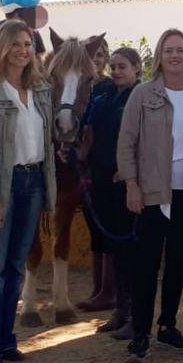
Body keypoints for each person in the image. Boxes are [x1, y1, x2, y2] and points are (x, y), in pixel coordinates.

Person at [0, 20, 57, 363]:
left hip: (33, 183)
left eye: (28, 44)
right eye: (16, 44)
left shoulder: (41, 91)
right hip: (2, 186)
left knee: (17, 265)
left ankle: (6, 340)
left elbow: (46, 145)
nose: (23, 50)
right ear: (1, 48)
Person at [118, 30, 183, 363]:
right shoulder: (142, 94)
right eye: (168, 50)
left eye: (180, 50)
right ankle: (140, 333)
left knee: (177, 264)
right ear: (159, 55)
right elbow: (126, 142)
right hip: (153, 192)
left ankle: (167, 326)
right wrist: (131, 184)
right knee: (147, 264)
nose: (174, 55)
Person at [77, 47, 142, 336]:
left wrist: (132, 176)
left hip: (129, 185)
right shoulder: (101, 99)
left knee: (132, 251)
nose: (116, 71)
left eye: (123, 66)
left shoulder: (142, 98)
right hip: (103, 183)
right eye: (113, 67)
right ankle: (121, 310)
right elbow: (89, 136)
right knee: (115, 249)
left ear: (137, 69)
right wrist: (79, 157)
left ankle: (136, 316)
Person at [77, 39, 120, 313]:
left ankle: (108, 291)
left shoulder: (107, 89)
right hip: (91, 166)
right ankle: (98, 288)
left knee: (110, 228)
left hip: (108, 165)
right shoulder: (82, 87)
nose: (99, 59)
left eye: (103, 54)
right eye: (95, 54)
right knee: (96, 228)